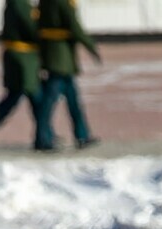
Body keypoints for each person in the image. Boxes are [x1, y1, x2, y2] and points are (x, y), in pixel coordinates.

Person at [35, 0, 100, 151]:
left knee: (72, 100)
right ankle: (43, 138)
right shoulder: (63, 2)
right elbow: (75, 27)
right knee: (49, 101)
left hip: (53, 55)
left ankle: (82, 135)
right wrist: (91, 46)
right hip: (61, 58)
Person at [0, 0, 43, 148]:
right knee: (35, 98)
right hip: (23, 59)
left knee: (26, 98)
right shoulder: (20, 5)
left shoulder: (15, 4)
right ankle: (44, 137)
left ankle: (45, 135)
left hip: (20, 57)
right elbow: (31, 28)